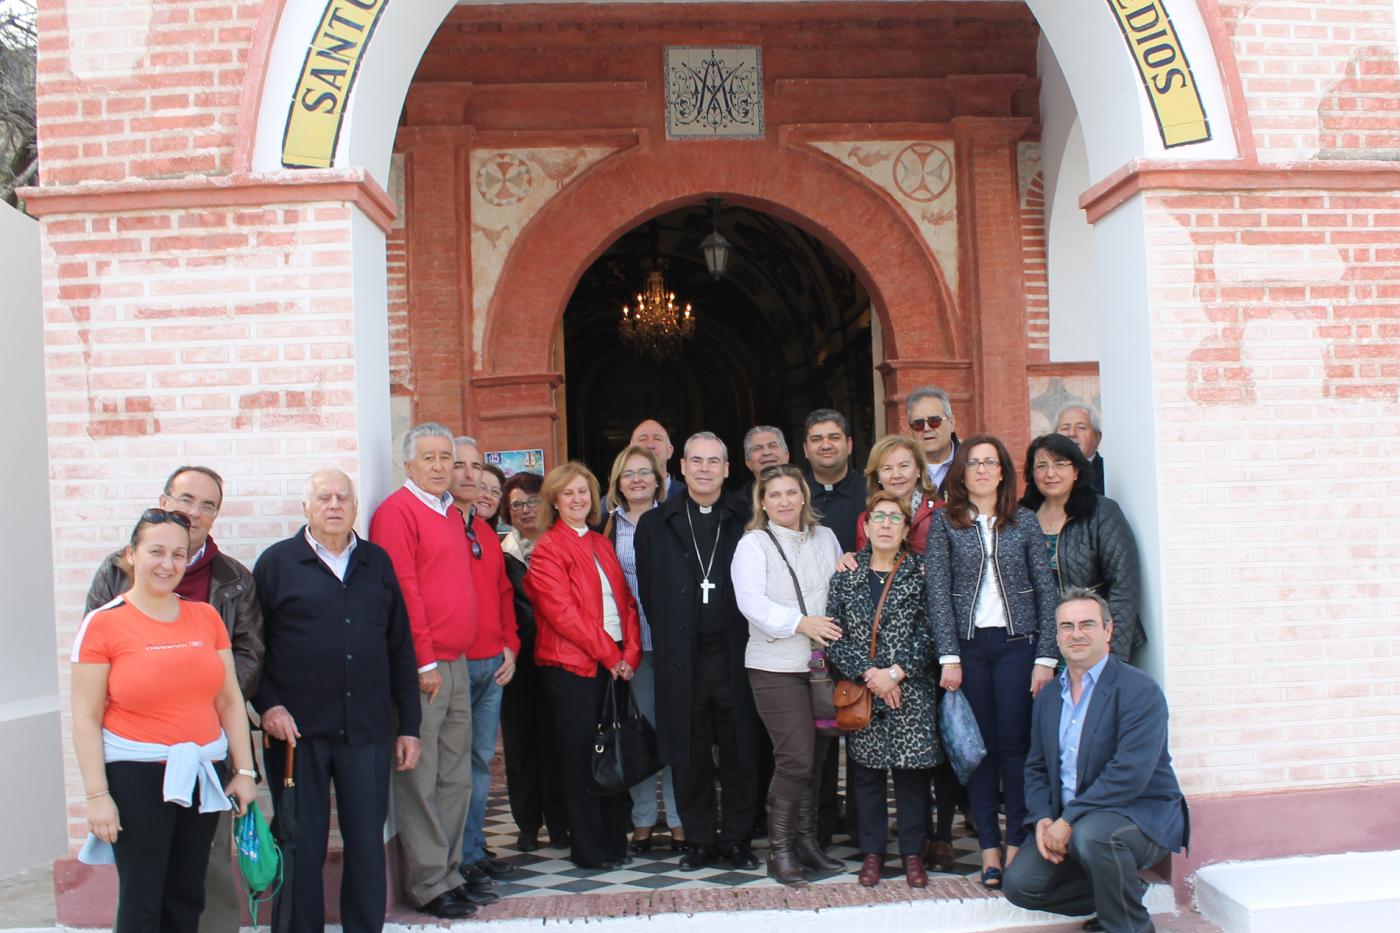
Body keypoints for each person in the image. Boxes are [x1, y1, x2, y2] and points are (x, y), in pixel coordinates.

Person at [83, 465, 263, 933]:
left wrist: (244, 773)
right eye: (156, 552)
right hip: (136, 775)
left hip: (203, 772)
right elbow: (85, 718)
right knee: (144, 901)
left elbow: (228, 701)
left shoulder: (206, 617)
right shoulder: (104, 623)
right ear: (132, 555)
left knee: (187, 897)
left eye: (178, 555)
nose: (167, 563)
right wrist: (98, 796)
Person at [252, 470, 424, 932]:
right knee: (299, 841)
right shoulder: (276, 563)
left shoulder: (376, 562)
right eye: (323, 497)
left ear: (353, 507)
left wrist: (409, 723)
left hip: (366, 729)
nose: (334, 504)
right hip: (294, 734)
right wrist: (267, 706)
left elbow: (400, 647)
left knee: (366, 842)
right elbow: (251, 649)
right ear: (305, 507)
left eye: (342, 497)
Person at [1003, 589, 1189, 933]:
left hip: (1138, 816)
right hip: (1072, 824)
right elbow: (1037, 768)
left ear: (1108, 630)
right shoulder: (1048, 699)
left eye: (1087, 624)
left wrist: (1069, 819)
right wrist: (1044, 818)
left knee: (1095, 835)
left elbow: (1129, 774)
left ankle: (1127, 925)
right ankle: (1121, 892)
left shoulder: (1138, 690)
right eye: (1067, 626)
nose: (1076, 633)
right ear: (1057, 636)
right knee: (1020, 884)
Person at [925, 434, 1059, 890]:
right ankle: (988, 847)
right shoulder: (946, 523)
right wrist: (948, 656)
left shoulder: (1022, 520)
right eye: (973, 463)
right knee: (977, 751)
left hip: (1017, 647)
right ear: (962, 473)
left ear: (1003, 471)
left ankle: (1018, 841)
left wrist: (1046, 656)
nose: (982, 469)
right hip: (967, 650)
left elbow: (1046, 589)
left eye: (990, 462)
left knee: (1015, 747)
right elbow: (938, 593)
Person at [369, 423, 480, 920]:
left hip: (458, 658)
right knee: (422, 777)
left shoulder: (450, 511)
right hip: (427, 665)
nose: (440, 467)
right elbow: (403, 589)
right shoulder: (398, 512)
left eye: (446, 458)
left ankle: (452, 870)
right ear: (408, 465)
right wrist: (424, 660)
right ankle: (429, 880)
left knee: (457, 776)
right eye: (429, 458)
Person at [635, 432, 760, 871]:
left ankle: (739, 839)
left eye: (714, 461)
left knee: (740, 752)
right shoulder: (656, 524)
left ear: (728, 470)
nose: (705, 468)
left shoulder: (746, 517)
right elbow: (649, 593)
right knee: (689, 756)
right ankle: (701, 841)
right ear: (682, 468)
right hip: (681, 662)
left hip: (736, 659)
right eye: (696, 461)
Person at [524, 462, 642, 870]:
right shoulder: (547, 549)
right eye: (569, 493)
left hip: (612, 664)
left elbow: (626, 602)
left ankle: (614, 842)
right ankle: (590, 851)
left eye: (583, 492)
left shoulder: (601, 543)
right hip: (570, 668)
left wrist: (630, 655)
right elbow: (564, 615)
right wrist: (612, 656)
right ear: (555, 501)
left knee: (611, 752)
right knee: (581, 759)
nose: (578, 499)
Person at [731, 465, 844, 885]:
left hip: (819, 666)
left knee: (816, 760)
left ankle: (807, 844)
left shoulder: (826, 538)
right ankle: (779, 852)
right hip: (774, 665)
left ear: (803, 497)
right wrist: (800, 623)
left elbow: (840, 590)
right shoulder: (753, 544)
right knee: (795, 757)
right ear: (762, 502)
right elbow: (750, 602)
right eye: (774, 494)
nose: (783, 501)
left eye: (790, 493)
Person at [827, 491, 940, 889]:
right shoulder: (846, 573)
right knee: (867, 777)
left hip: (911, 691)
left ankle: (912, 854)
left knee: (912, 777)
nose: (887, 524)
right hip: (864, 692)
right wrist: (870, 675)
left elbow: (931, 630)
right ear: (866, 525)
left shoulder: (921, 571)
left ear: (907, 528)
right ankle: (872, 854)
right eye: (879, 517)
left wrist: (895, 673)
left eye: (895, 518)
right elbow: (833, 634)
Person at [602, 445, 685, 854]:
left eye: (644, 472)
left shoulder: (675, 519)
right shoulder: (605, 526)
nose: (636, 479)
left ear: (659, 479)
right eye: (627, 473)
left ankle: (679, 817)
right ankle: (642, 819)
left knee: (674, 731)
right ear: (617, 483)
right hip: (627, 651)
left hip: (671, 643)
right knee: (637, 733)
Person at [452, 437, 520, 886]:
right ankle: (454, 859)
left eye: (477, 466)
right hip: (452, 665)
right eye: (460, 464)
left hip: (491, 664)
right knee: (452, 768)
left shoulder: (485, 535)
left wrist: (510, 645)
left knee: (479, 763)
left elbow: (502, 595)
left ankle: (474, 850)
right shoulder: (436, 524)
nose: (470, 474)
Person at [1021, 433, 1143, 659]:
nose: (1050, 473)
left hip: (1093, 636)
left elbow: (1123, 585)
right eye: (1041, 465)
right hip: (1040, 644)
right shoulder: (1021, 517)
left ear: (1076, 470)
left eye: (1060, 464)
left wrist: (1112, 650)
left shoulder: (1101, 512)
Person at [498, 472, 567, 853]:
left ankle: (560, 823)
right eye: (517, 504)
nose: (526, 510)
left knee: (558, 744)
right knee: (521, 745)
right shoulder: (501, 552)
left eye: (533, 501)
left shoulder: (562, 544)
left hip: (560, 659)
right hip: (518, 664)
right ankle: (528, 824)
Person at [854, 435, 940, 554]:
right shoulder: (867, 519)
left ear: (918, 469)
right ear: (878, 476)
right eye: (887, 468)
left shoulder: (941, 512)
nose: (896, 475)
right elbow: (865, 564)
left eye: (904, 466)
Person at [802, 409, 865, 553]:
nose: (826, 445)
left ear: (849, 445)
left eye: (834, 437)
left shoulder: (872, 492)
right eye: (817, 439)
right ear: (805, 449)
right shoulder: (794, 496)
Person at [906, 385, 960, 496]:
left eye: (934, 421)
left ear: (951, 423)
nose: (926, 428)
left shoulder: (972, 463)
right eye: (918, 424)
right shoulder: (901, 471)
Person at [630, 418, 686, 500]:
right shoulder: (614, 503)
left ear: (669, 451)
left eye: (657, 439)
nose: (650, 445)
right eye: (642, 439)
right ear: (629, 452)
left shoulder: (689, 497)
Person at [735, 425, 790, 507]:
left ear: (786, 456)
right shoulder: (737, 504)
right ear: (748, 462)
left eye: (772, 446)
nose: (766, 452)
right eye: (758, 448)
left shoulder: (806, 492)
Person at [1056, 404, 1105, 494]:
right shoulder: (1045, 475)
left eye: (1081, 427)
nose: (1072, 433)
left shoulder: (1107, 473)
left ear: (1097, 438)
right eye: (1065, 428)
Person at [476, 463, 507, 531]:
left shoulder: (491, 536)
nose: (488, 496)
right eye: (482, 488)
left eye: (495, 492)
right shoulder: (454, 530)